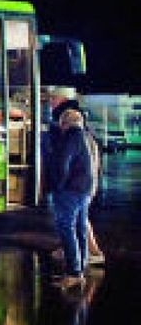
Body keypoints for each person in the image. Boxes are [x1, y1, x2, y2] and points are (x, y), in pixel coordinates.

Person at [44, 87, 106, 266]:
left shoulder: (67, 116)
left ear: (62, 99)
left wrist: (59, 184)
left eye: (53, 98)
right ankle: (79, 255)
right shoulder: (75, 115)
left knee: (76, 220)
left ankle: (90, 254)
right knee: (78, 219)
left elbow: (66, 154)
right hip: (84, 176)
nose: (51, 102)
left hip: (76, 179)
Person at [47, 108, 98, 290]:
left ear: (65, 123)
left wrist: (58, 186)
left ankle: (74, 273)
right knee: (80, 228)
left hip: (71, 190)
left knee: (66, 229)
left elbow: (63, 164)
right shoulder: (86, 137)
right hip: (85, 190)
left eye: (61, 123)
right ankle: (80, 269)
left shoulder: (71, 137)